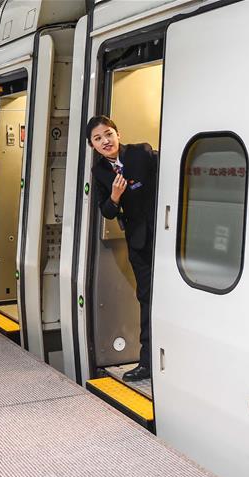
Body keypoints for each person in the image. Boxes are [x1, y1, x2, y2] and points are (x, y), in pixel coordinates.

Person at [88, 115, 157, 382]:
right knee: (146, 299)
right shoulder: (100, 173)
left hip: (168, 236)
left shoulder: (142, 153)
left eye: (108, 134)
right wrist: (115, 197)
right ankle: (147, 362)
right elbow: (106, 210)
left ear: (118, 133)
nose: (105, 141)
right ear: (92, 145)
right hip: (140, 244)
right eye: (98, 138)